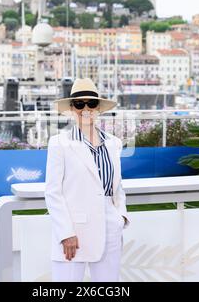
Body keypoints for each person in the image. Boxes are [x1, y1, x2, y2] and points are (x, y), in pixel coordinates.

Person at [44, 78, 130, 282]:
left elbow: (117, 187)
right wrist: (66, 233)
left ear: (98, 107)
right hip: (74, 232)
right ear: (72, 108)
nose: (86, 108)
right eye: (79, 104)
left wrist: (121, 217)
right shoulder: (59, 143)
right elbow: (52, 192)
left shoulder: (113, 143)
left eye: (91, 103)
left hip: (110, 228)